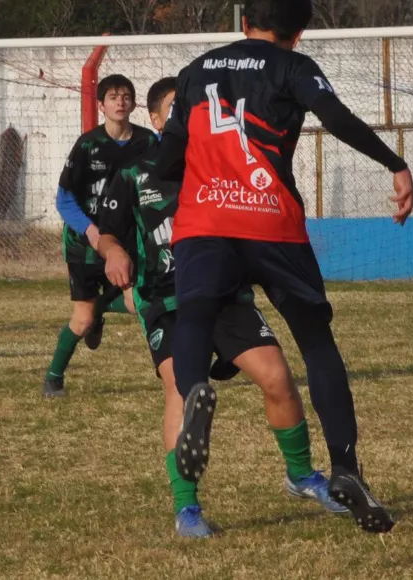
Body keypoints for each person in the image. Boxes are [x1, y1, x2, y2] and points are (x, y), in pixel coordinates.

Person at [159, 0, 413, 533]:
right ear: (298, 32)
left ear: (242, 21)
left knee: (196, 315)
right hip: (272, 222)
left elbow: (169, 154)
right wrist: (393, 163)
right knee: (316, 343)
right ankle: (344, 467)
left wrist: (167, 190)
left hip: (204, 221)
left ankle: (194, 388)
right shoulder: (294, 68)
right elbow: (337, 117)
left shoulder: (197, 70)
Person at [97, 77, 347, 538]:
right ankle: (187, 507)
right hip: (168, 302)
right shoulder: (133, 174)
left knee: (277, 376)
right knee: (181, 389)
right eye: (173, 112)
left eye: (189, 110)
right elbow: (106, 231)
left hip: (226, 296)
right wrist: (114, 252)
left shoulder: (225, 165)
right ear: (154, 121)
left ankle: (301, 475)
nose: (184, 119)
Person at [42, 74, 153, 398]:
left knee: (140, 301)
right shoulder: (88, 145)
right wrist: (91, 231)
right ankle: (53, 378)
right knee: (83, 320)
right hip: (85, 244)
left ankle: (103, 307)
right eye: (113, 96)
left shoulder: (148, 143)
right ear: (101, 104)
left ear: (133, 103)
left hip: (125, 242)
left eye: (126, 96)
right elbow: (64, 199)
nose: (120, 102)